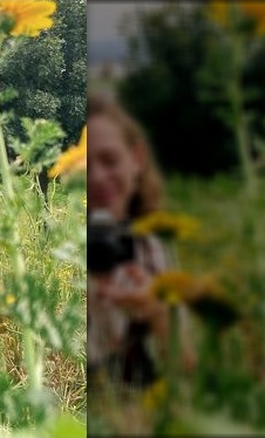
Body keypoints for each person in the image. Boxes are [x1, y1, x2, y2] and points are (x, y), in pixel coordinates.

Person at [87, 92, 195, 389]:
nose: (96, 177)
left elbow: (185, 369)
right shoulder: (61, 247)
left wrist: (158, 313)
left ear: (136, 160)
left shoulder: (149, 245)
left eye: (109, 160)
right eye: (84, 164)